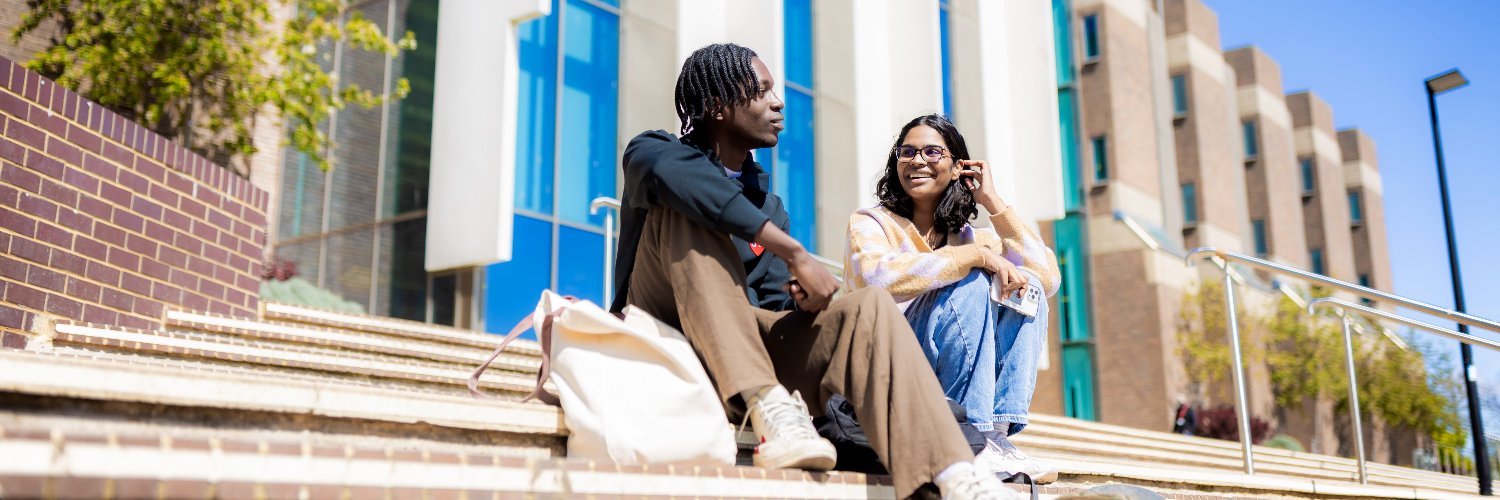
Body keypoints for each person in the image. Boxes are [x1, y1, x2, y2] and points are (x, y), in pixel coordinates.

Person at [612, 44, 1017, 499]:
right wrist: (794, 252)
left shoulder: (768, 205)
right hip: (664, 329)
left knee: (867, 306)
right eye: (761, 91)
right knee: (687, 207)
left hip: (741, 345)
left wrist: (804, 304)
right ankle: (766, 404)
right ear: (716, 105)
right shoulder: (653, 153)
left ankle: (954, 474)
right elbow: (683, 183)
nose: (778, 102)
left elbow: (769, 307)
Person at [843, 114, 1062, 483]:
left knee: (1028, 288)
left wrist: (993, 202)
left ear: (958, 166)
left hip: (946, 381)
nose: (917, 160)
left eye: (932, 151)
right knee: (974, 280)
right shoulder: (871, 222)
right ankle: (971, 435)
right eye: (907, 151)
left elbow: (1046, 276)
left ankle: (993, 436)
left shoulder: (970, 237)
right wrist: (973, 260)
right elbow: (875, 277)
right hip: (888, 368)